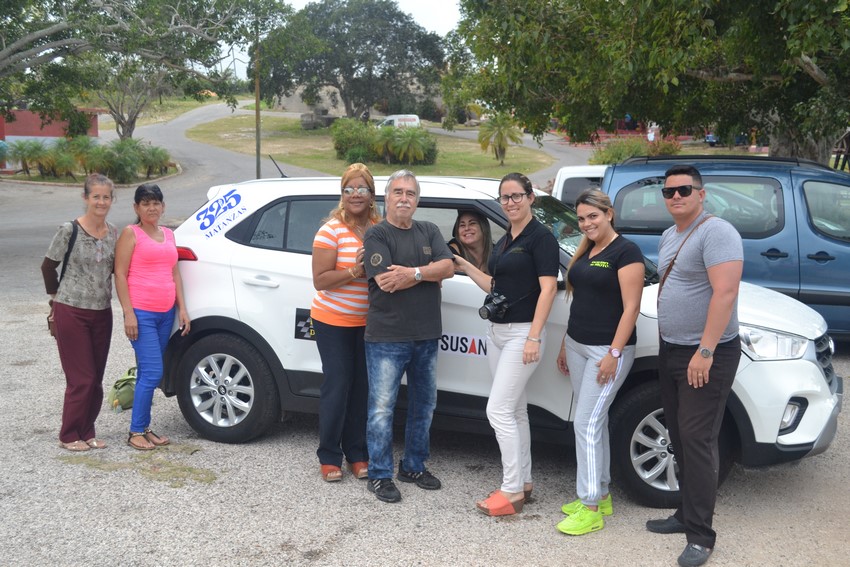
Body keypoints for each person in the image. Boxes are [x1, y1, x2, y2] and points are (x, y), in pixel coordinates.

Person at [646, 165, 743, 567]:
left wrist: (704, 351)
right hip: (673, 349)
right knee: (679, 435)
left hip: (707, 354)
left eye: (684, 190)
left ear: (701, 194)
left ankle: (701, 536)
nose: (676, 197)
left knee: (697, 440)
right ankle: (685, 513)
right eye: (669, 192)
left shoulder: (716, 232)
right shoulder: (671, 235)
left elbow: (726, 293)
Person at [454, 172, 559, 516]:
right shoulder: (505, 239)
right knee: (514, 411)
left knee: (497, 410)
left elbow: (548, 289)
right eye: (505, 197)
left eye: (516, 196)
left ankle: (511, 490)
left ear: (531, 198)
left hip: (522, 333)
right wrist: (465, 265)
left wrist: (533, 336)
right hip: (497, 333)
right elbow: (495, 284)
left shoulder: (541, 238)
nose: (510, 203)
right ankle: (524, 482)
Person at [554, 189, 644, 535]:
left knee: (586, 423)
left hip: (607, 350)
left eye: (593, 216)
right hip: (578, 345)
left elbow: (631, 308)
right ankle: (601, 493)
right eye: (581, 218)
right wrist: (565, 344)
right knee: (595, 421)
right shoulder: (589, 250)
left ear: (609, 214)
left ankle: (590, 507)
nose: (586, 223)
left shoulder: (627, 252)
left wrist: (614, 354)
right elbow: (581, 302)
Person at [362, 170, 455, 503]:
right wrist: (429, 274)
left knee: (424, 406)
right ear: (387, 198)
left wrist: (414, 272)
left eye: (411, 193)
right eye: (398, 192)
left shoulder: (429, 230)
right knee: (382, 409)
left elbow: (449, 267)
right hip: (387, 338)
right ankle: (380, 474)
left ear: (417, 200)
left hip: (426, 336)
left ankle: (413, 466)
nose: (404, 198)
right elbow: (386, 281)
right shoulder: (377, 235)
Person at [311, 163, 380, 482]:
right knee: (337, 385)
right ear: (342, 194)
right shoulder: (331, 230)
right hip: (333, 321)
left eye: (361, 189)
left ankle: (357, 453)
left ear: (371, 194)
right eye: (348, 189)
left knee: (362, 389)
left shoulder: (380, 226)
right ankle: (329, 455)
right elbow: (321, 280)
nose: (355, 195)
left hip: (369, 323)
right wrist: (355, 271)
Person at [42, 174, 118, 451]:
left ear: (111, 200)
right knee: (81, 378)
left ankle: (88, 431)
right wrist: (55, 298)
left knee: (96, 379)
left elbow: (116, 271)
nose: (101, 201)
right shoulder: (69, 229)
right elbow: (48, 266)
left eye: (106, 197)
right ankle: (69, 434)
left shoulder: (113, 232)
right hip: (71, 311)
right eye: (96, 196)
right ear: (86, 198)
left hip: (102, 312)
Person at [115, 183, 191, 451]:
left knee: (151, 373)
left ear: (163, 206)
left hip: (165, 313)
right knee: (152, 372)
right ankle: (135, 431)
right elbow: (120, 274)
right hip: (142, 314)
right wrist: (128, 314)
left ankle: (144, 427)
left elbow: (175, 274)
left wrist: (182, 309)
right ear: (136, 208)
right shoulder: (131, 233)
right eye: (145, 203)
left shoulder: (169, 234)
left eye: (156, 202)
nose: (151, 208)